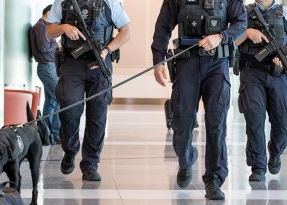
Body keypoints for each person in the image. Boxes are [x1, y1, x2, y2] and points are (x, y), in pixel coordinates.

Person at [151, 0, 246, 200]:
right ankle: (186, 160)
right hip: (187, 64)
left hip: (217, 65)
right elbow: (163, 27)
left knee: (216, 123)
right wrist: (158, 60)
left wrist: (221, 37)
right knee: (182, 122)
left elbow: (241, 22)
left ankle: (213, 180)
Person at [46, 0, 131, 181]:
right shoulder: (62, 2)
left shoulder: (111, 2)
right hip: (72, 63)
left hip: (100, 63)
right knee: (69, 109)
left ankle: (90, 164)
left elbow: (126, 32)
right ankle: (70, 151)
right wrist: (64, 27)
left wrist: (107, 50)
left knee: (98, 115)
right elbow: (49, 31)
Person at [235, 0, 287, 182]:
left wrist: (283, 61)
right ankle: (258, 166)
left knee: (282, 123)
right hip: (251, 72)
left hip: (278, 75)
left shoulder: (284, 13)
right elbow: (230, 40)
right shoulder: (242, 12)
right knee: (254, 118)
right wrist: (247, 32)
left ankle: (275, 152)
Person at [30, 5, 61, 142]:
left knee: (51, 100)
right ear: (48, 13)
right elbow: (43, 47)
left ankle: (48, 133)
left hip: (48, 66)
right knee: (59, 98)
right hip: (46, 66)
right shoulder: (41, 27)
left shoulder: (42, 27)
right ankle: (55, 133)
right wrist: (56, 44)